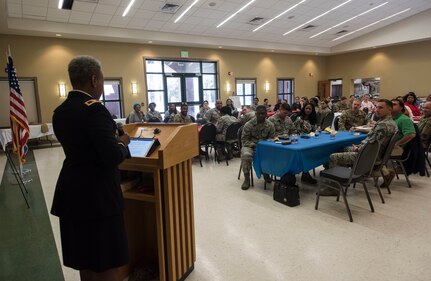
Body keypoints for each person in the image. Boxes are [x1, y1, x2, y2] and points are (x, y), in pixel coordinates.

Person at [51, 55, 130, 281]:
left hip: (71, 191)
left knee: (84, 257)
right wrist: (123, 143)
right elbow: (112, 156)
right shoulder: (95, 110)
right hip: (98, 197)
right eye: (103, 81)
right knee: (107, 259)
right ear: (94, 80)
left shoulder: (61, 110)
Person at [324, 99, 397, 195]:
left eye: (381, 108)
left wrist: (358, 148)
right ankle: (342, 179)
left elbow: (372, 144)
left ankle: (333, 189)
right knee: (343, 148)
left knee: (333, 157)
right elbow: (373, 141)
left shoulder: (382, 125)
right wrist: (359, 146)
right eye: (376, 107)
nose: (377, 110)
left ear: (389, 109)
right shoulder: (391, 123)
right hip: (375, 154)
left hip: (367, 157)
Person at [241, 105, 275, 190]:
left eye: (263, 114)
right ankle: (247, 178)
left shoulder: (270, 125)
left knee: (275, 153)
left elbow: (272, 139)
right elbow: (244, 140)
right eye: (259, 114)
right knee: (246, 155)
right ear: (255, 114)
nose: (261, 115)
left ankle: (266, 172)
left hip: (265, 147)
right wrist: (254, 145)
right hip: (250, 146)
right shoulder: (249, 124)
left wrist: (264, 145)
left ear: (266, 114)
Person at [294, 102, 318, 184]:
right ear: (304, 109)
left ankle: (306, 173)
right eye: (306, 108)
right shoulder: (299, 119)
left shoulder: (313, 119)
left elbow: (314, 130)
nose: (308, 110)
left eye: (310, 109)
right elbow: (295, 131)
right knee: (307, 154)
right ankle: (305, 173)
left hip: (311, 140)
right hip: (301, 141)